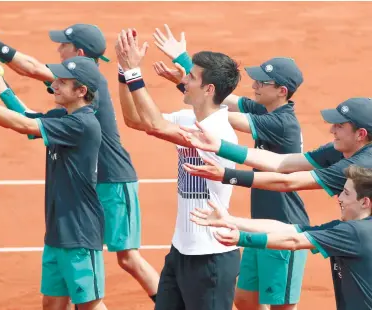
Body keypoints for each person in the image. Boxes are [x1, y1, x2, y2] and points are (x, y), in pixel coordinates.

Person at [0, 15, 160, 303]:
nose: (58, 51)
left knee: (127, 259)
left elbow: (30, 73)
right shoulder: (74, 89)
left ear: (79, 53)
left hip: (112, 179)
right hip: (86, 182)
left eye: (63, 45)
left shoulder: (84, 80)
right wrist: (3, 90)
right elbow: (32, 121)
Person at [153, 24, 309, 310]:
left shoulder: (281, 123)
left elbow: (220, 116)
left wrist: (192, 86)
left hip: (284, 225)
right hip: (255, 225)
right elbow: (225, 100)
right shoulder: (265, 108)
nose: (255, 85)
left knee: (281, 306)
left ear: (281, 91)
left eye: (262, 82)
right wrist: (186, 70)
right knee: (245, 300)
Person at [0, 57, 107, 310]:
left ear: (81, 91)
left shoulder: (82, 124)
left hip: (79, 233)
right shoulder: (64, 117)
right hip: (57, 231)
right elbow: (29, 119)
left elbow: (23, 125)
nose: (54, 85)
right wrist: (3, 89)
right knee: (52, 305)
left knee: (90, 305)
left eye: (62, 82)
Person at [115, 28, 241, 310]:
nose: (183, 79)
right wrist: (124, 72)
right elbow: (136, 120)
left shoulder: (217, 133)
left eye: (191, 77)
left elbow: (156, 126)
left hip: (211, 258)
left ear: (209, 89)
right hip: (181, 252)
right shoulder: (189, 118)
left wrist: (136, 71)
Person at [190, 165, 372, 310]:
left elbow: (293, 241)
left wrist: (242, 239)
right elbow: (289, 230)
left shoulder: (353, 233)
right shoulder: (350, 228)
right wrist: (231, 220)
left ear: (365, 202)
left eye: (346, 193)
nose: (339, 197)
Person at [180, 97, 372, 197]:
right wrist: (220, 146)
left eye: (340, 125)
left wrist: (226, 175)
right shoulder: (339, 149)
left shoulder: (361, 165)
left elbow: (288, 182)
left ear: (361, 134)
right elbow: (281, 162)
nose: (332, 129)